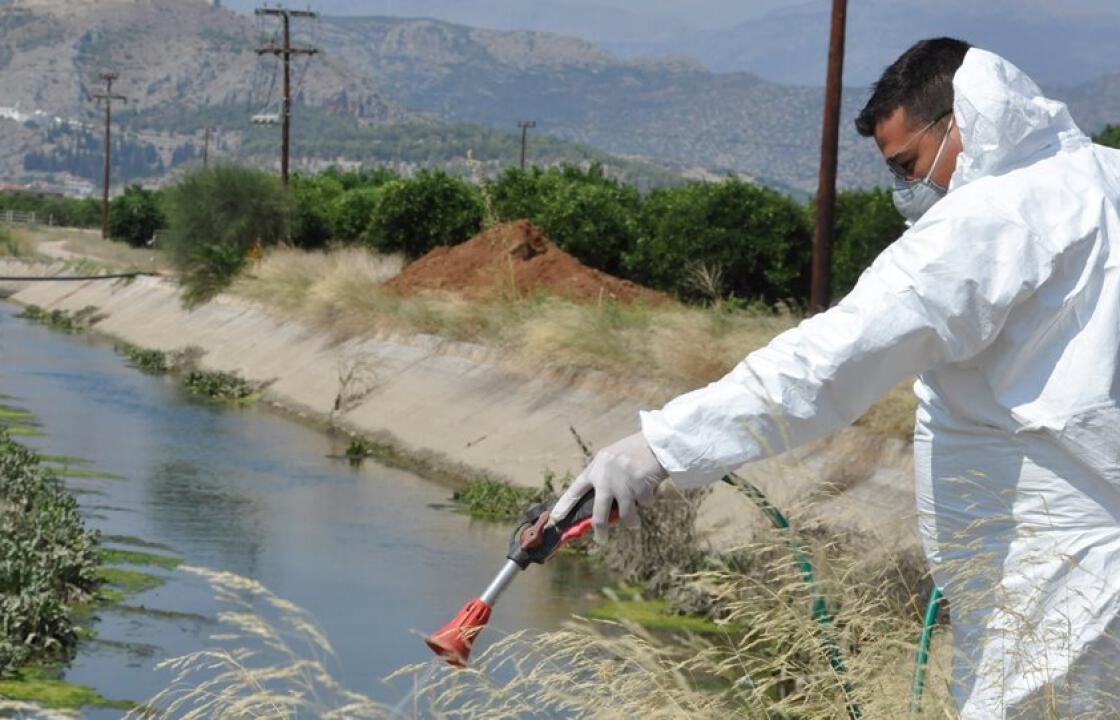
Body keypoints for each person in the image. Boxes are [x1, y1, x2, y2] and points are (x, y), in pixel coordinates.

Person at [550, 38, 1120, 718]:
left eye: (908, 166)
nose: (909, 193)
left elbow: (831, 359)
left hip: (1059, 588)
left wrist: (659, 447)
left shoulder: (992, 218)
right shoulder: (1104, 177)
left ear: (960, 123)